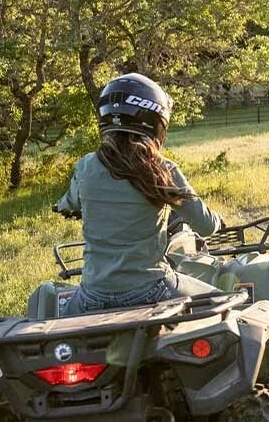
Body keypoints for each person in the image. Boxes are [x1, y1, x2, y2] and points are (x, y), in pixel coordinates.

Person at [54, 73, 223, 316]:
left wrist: (61, 207)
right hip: (151, 289)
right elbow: (205, 225)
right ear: (156, 121)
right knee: (226, 304)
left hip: (92, 295)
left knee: (54, 327)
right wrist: (218, 221)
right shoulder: (162, 169)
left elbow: (68, 202)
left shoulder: (86, 166)